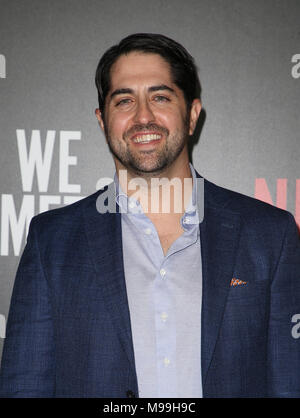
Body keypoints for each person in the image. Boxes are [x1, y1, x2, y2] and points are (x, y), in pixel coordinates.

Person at [0, 33, 299, 398]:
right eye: (124, 100)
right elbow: (24, 387)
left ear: (191, 114)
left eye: (159, 97)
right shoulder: (52, 241)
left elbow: (289, 381)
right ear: (102, 120)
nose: (143, 116)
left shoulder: (269, 234)